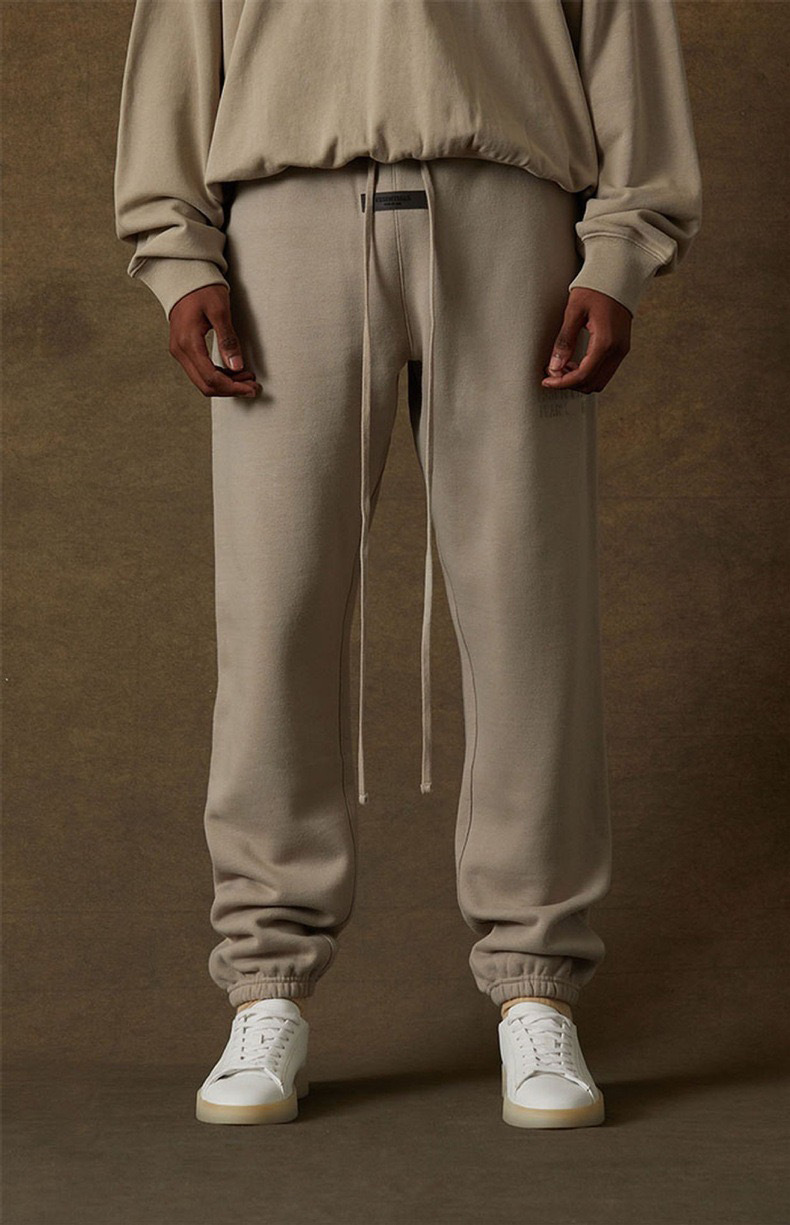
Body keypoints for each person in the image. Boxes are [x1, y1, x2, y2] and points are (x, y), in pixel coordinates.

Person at [114, 0, 702, 1129]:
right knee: (273, 615)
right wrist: (179, 252)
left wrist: (621, 248)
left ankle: (536, 983)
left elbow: (621, 33)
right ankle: (266, 984)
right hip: (282, 217)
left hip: (512, 209)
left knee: (530, 614)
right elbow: (184, 32)